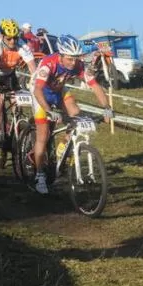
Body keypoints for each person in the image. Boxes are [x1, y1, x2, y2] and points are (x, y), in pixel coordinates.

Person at [29, 35, 113, 194]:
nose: (73, 63)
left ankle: (62, 147)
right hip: (40, 94)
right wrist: (49, 110)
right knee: (43, 135)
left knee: (76, 114)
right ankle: (39, 175)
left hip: (58, 91)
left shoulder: (79, 65)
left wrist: (106, 107)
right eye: (69, 59)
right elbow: (38, 90)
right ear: (61, 55)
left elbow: (95, 86)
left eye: (76, 59)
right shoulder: (48, 64)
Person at [0, 18, 37, 143]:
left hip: (9, 74)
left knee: (17, 101)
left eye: (15, 37)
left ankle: (16, 124)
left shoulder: (22, 46)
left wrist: (36, 82)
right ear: (2, 36)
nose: (13, 41)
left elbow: (32, 66)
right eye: (9, 38)